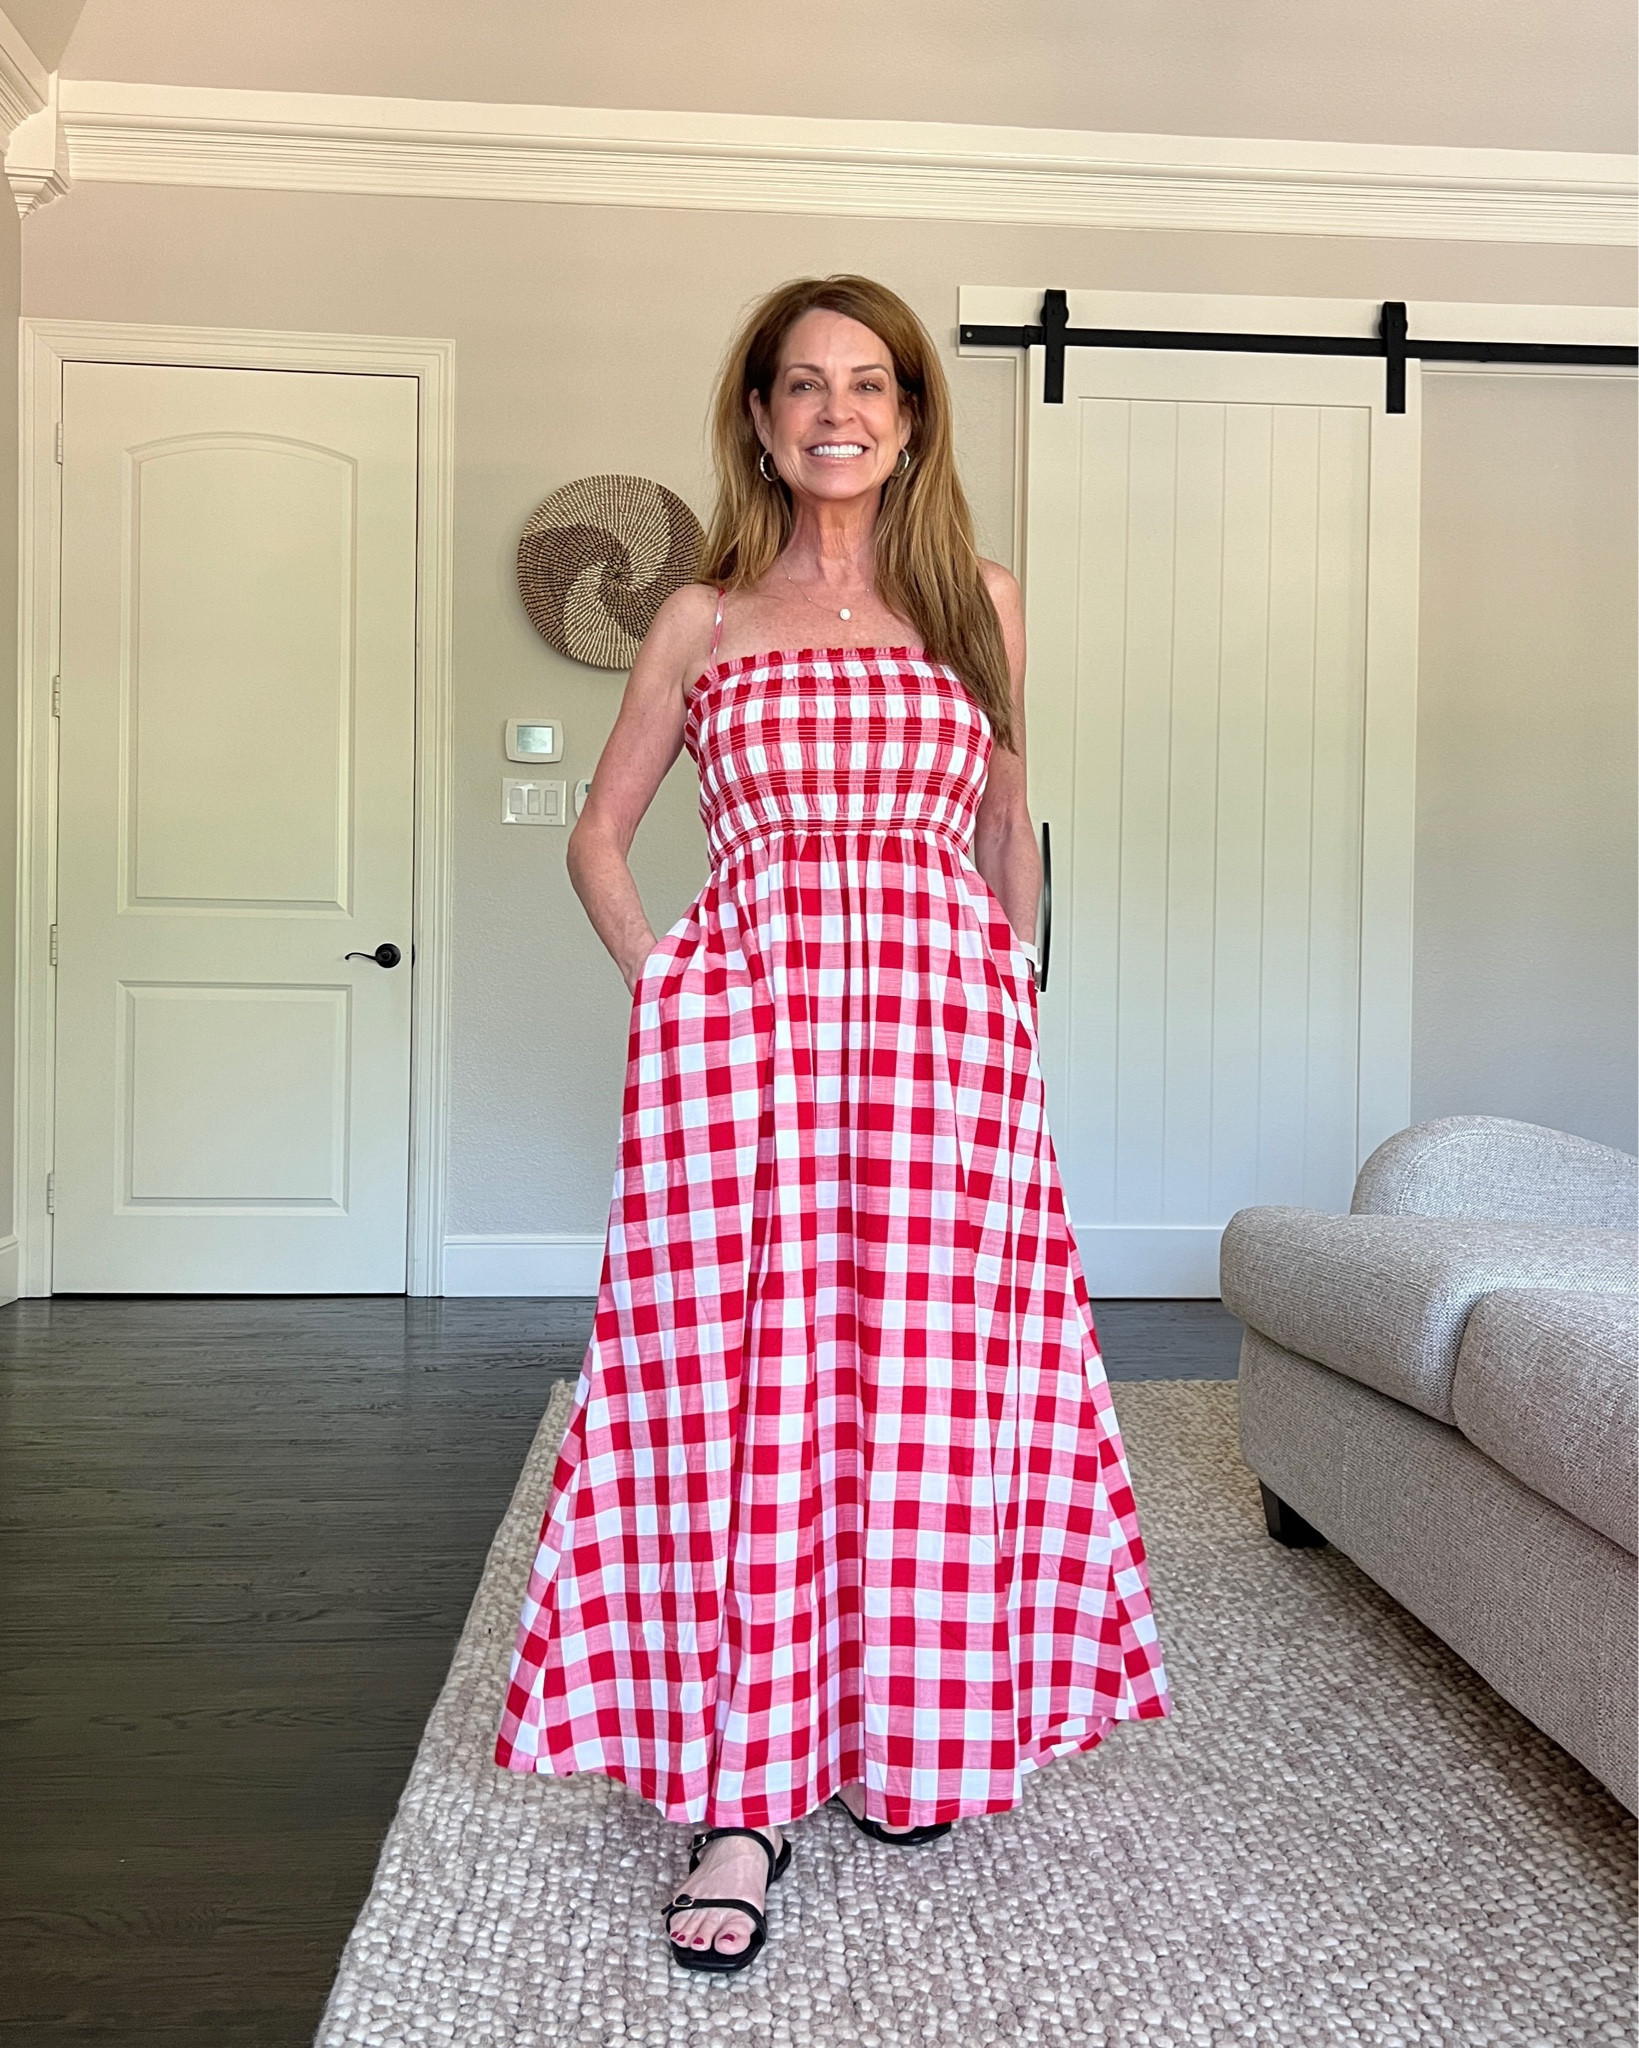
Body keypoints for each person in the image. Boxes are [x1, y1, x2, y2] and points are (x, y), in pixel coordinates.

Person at [495, 274, 1169, 1974]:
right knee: (741, 1391)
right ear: (760, 417)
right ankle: (740, 1795)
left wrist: (1013, 991)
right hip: (752, 1048)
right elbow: (600, 837)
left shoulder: (981, 605)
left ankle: (911, 1732)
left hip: (946, 1045)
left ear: (915, 417)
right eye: (802, 385)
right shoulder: (704, 621)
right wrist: (671, 987)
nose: (836, 410)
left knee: (930, 1386)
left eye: (869, 383)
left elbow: (1011, 819)